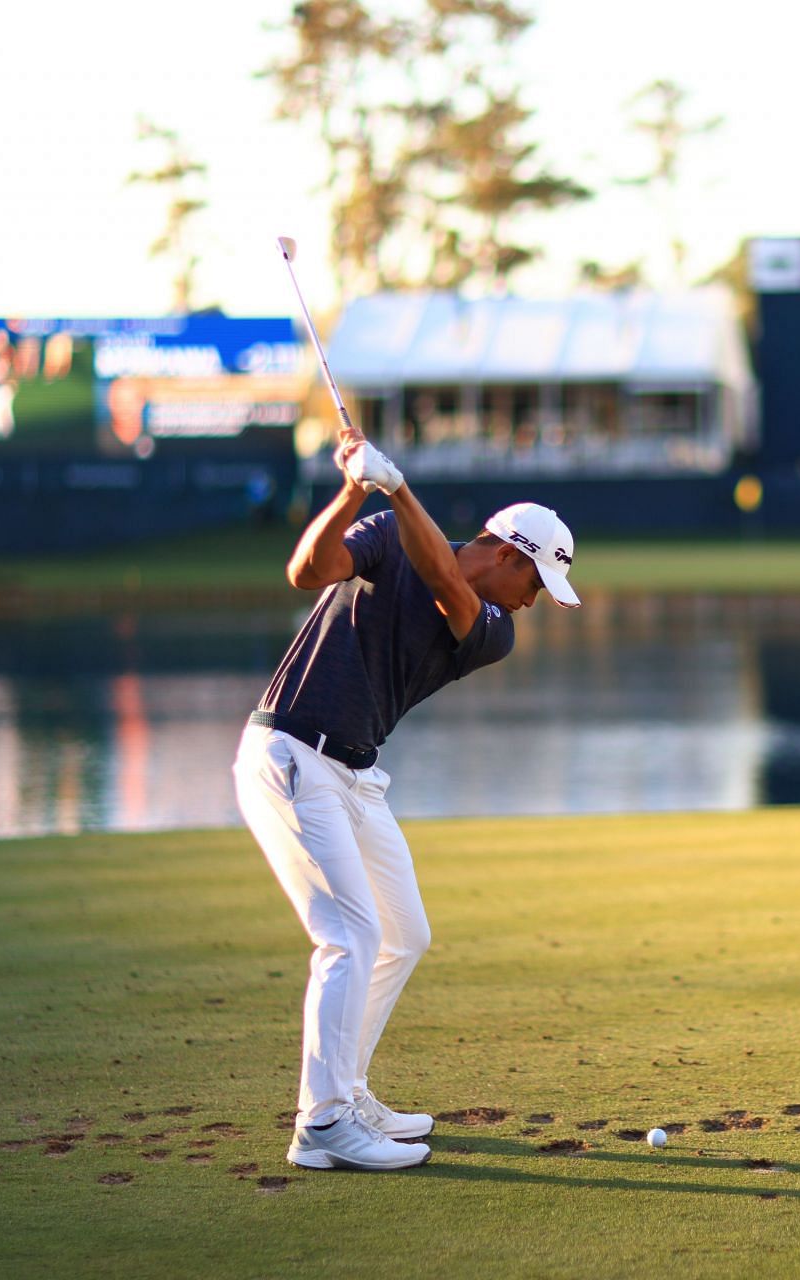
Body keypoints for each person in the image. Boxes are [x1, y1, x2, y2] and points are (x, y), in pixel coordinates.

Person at [232, 425, 579, 1172]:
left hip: (356, 775)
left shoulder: (489, 631)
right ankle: (321, 1124)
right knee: (349, 937)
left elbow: (447, 585)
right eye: (535, 586)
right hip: (292, 754)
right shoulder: (387, 531)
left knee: (403, 933)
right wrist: (358, 488)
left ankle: (347, 1090)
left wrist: (394, 486)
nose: (532, 604)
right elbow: (307, 570)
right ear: (511, 555)